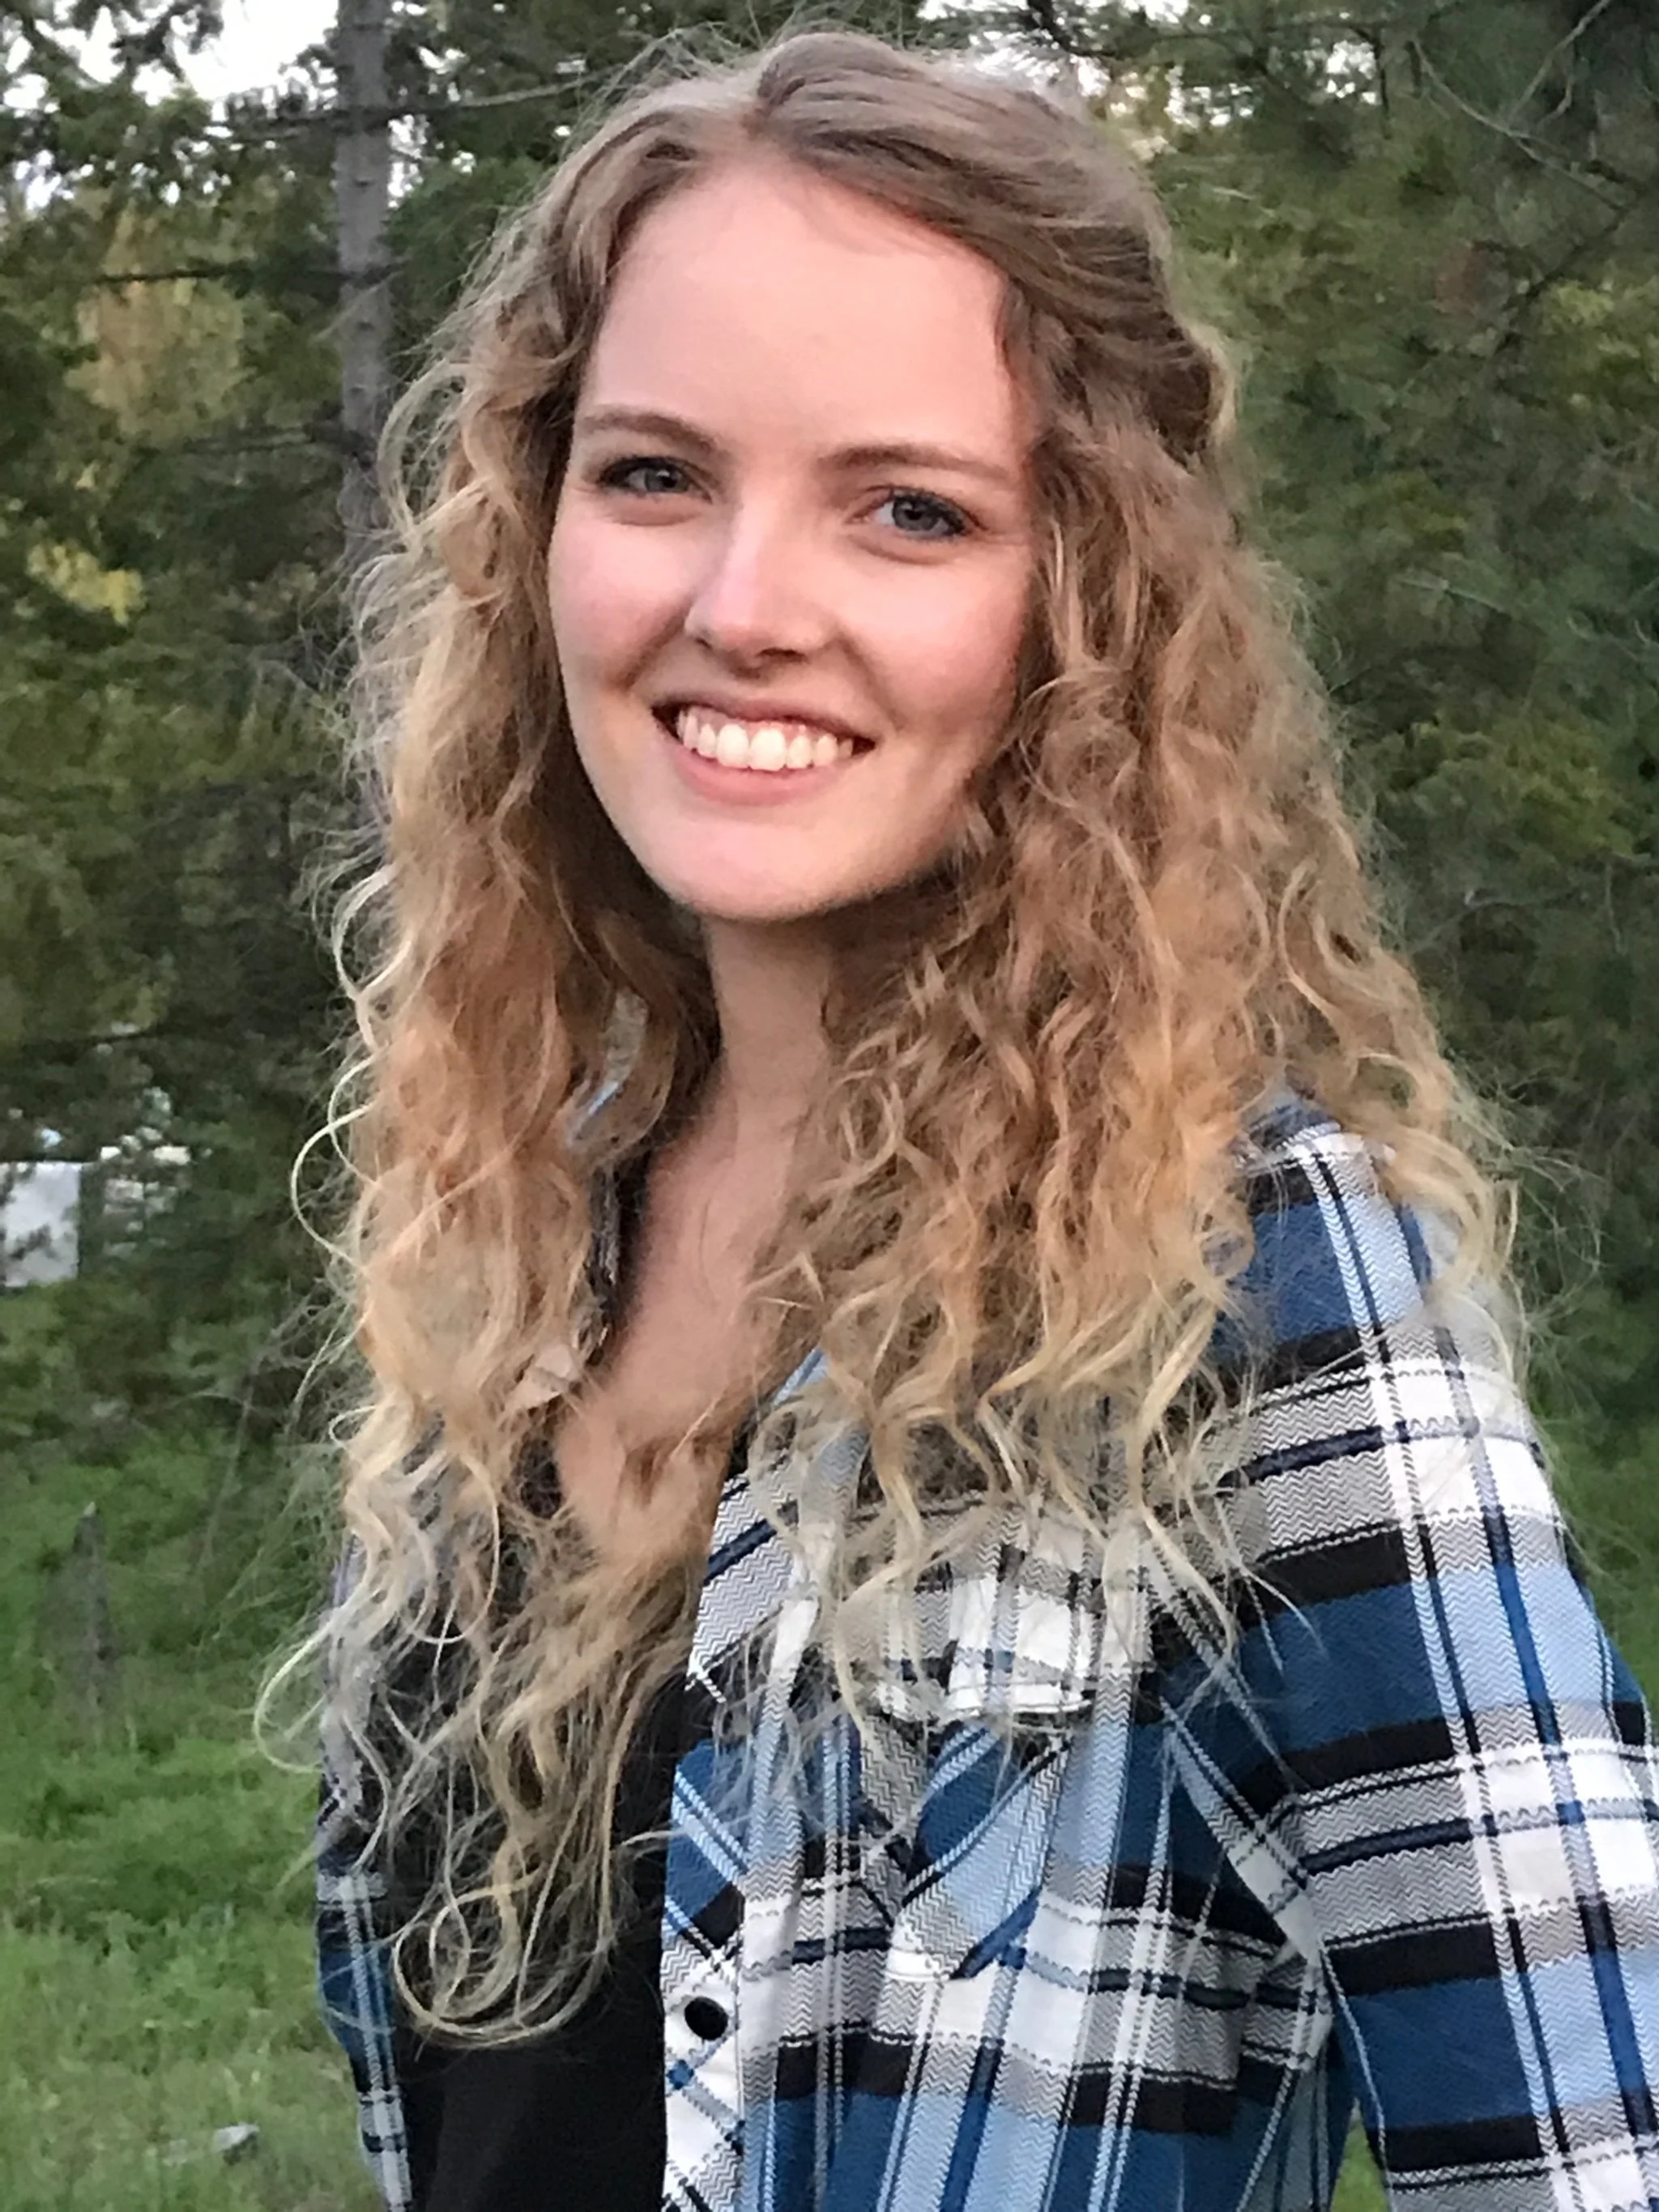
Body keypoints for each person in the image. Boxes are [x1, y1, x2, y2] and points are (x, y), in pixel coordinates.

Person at [297, 25, 1659, 2212]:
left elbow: (1592, 2137)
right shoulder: (533, 1212)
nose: (743, 607)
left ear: (1084, 596)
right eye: (653, 474)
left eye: (908, 510)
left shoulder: (1249, 1290)